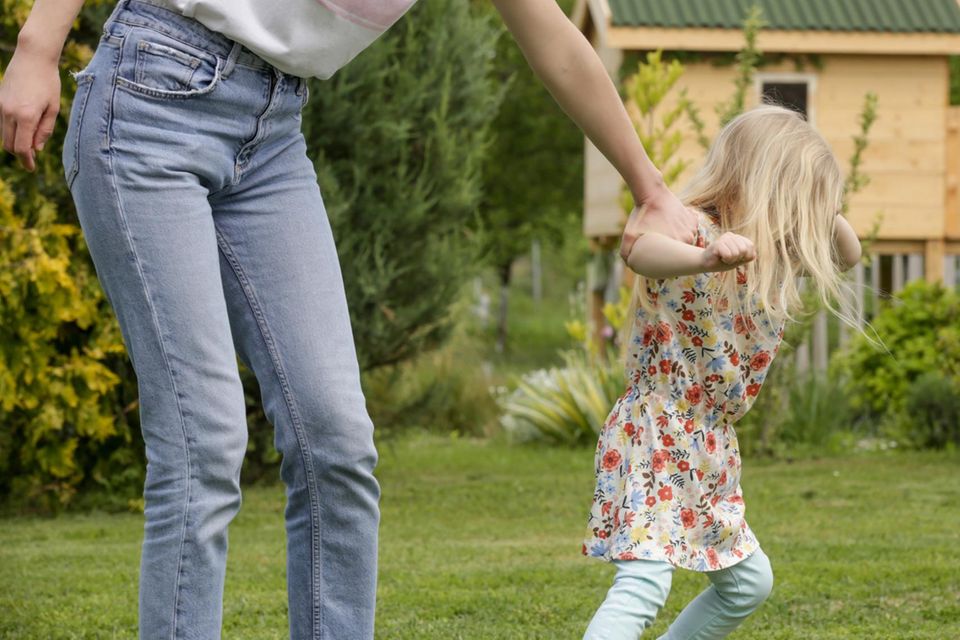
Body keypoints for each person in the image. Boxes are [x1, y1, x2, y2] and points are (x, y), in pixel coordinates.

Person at [0, 0, 700, 638]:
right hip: (151, 94)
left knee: (336, 441)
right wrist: (38, 45)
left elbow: (556, 42)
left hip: (273, 130)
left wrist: (651, 190)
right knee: (203, 442)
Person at [580, 104, 864, 639]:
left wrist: (821, 204)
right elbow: (640, 251)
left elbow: (848, 254)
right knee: (645, 582)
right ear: (762, 183)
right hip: (656, 432)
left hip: (710, 445)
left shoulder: (774, 255)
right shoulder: (695, 230)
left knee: (748, 583)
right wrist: (706, 258)